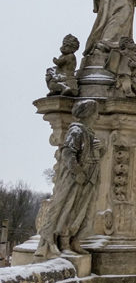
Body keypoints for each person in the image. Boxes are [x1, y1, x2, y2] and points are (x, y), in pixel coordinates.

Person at [36, 100, 101, 258]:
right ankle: (62, 241)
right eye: (95, 112)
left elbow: (90, 156)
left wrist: (99, 150)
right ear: (88, 113)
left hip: (89, 177)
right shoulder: (76, 131)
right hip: (75, 178)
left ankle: (73, 239)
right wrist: (77, 171)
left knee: (81, 210)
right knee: (68, 208)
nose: (97, 116)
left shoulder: (89, 132)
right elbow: (68, 153)